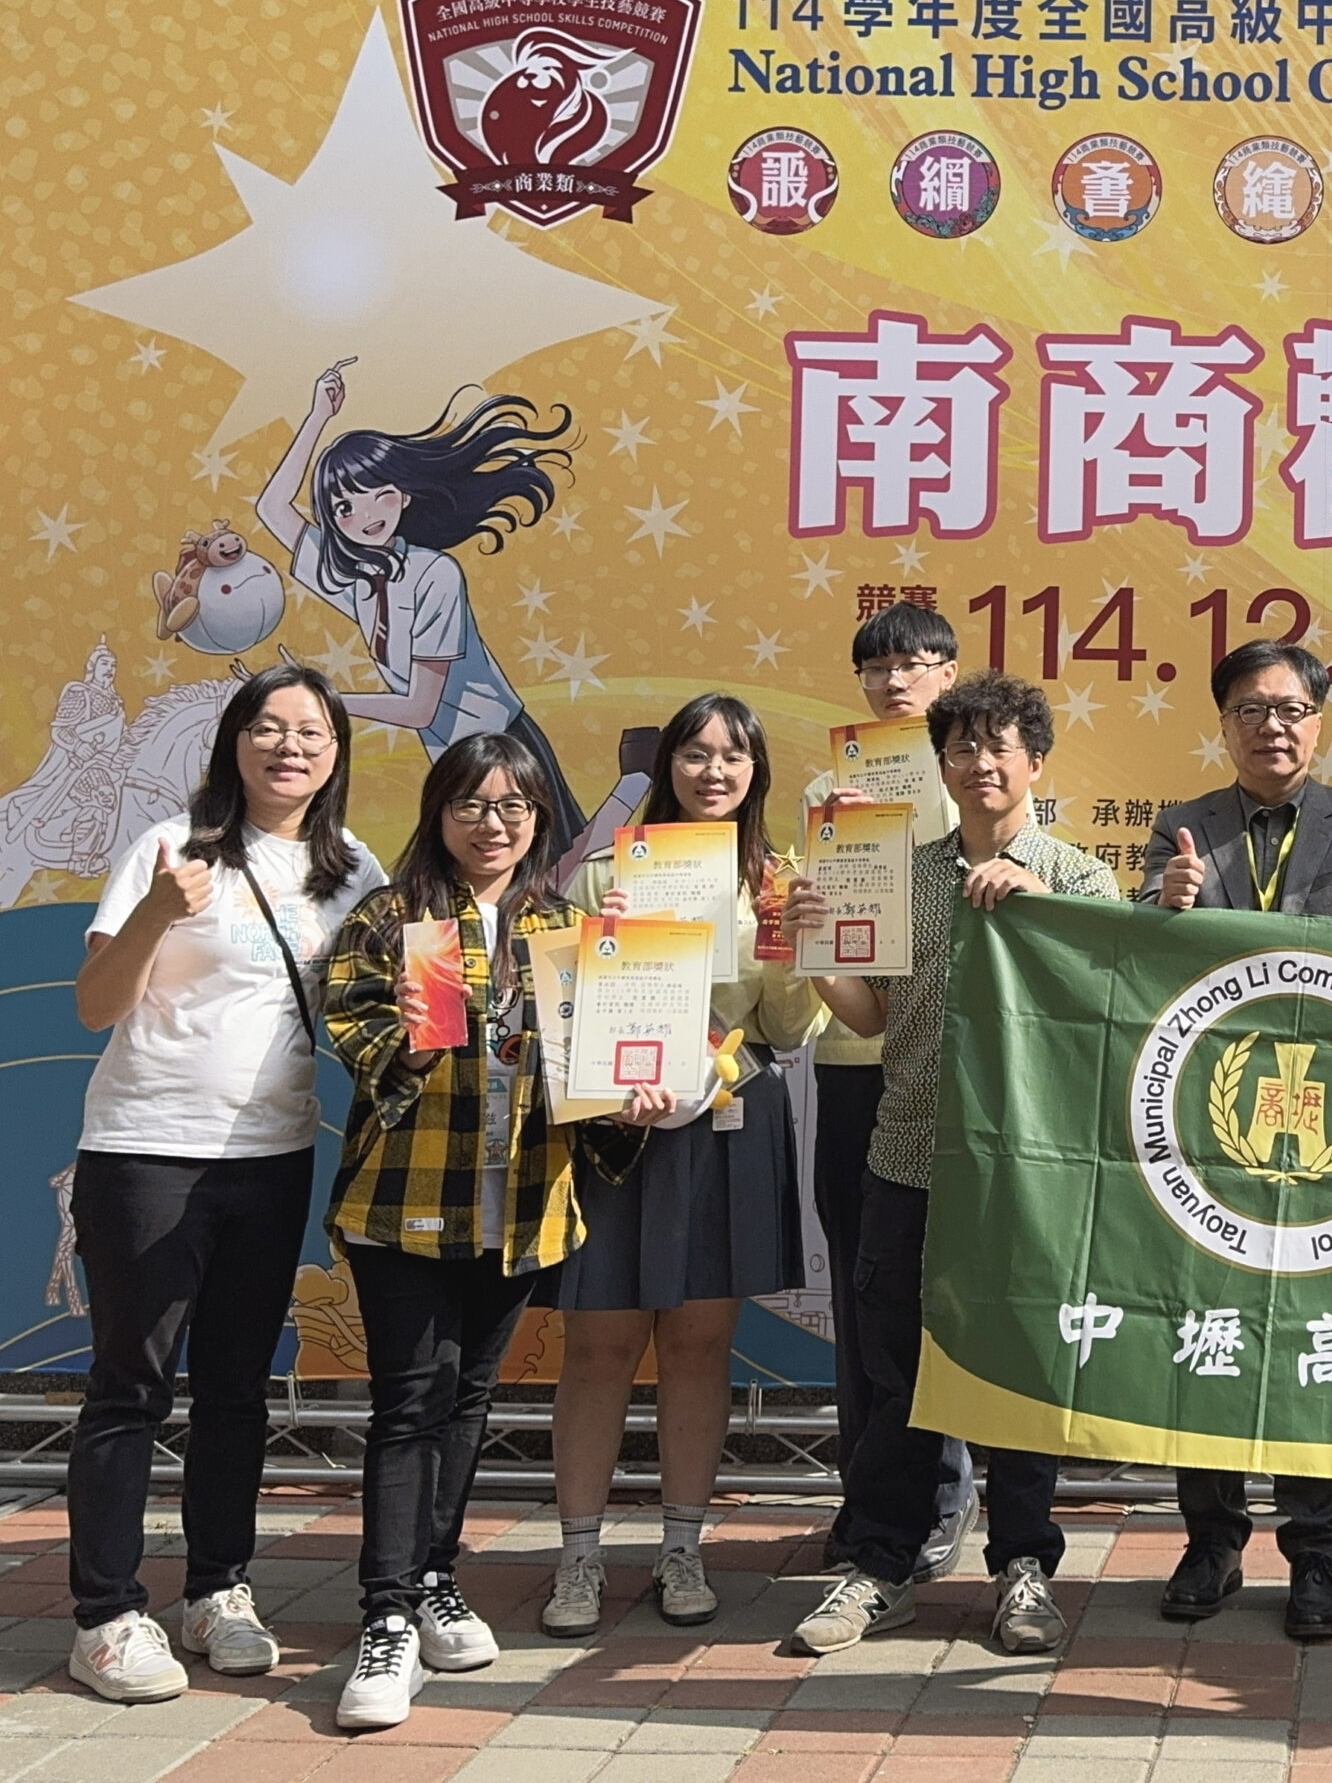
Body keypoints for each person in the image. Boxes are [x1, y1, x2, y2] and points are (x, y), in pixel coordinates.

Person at [320, 733, 674, 1729]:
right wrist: (413, 1039)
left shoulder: (565, 927)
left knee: (468, 1400)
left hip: (517, 1207)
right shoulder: (395, 918)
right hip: (405, 1205)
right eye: (472, 804)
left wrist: (628, 1105)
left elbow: (593, 1076)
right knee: (409, 1405)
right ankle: (387, 1615)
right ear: (438, 812)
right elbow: (354, 1036)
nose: (493, 824)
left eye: (514, 807)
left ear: (538, 820)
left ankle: (436, 1576)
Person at [63, 666, 386, 1703]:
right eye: (268, 727)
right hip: (148, 1150)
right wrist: (159, 912)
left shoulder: (354, 869)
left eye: (312, 732)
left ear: (336, 753)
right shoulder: (169, 847)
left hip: (274, 1156)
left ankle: (216, 1590)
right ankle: (107, 1616)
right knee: (131, 1386)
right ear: (234, 741)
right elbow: (94, 1004)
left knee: (238, 1387)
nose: (290, 747)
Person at [789, 673, 1118, 1659]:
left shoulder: (1080, 879)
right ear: (939, 765)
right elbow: (873, 1013)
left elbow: (1112, 1005)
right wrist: (817, 949)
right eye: (961, 748)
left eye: (999, 745)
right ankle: (882, 1565)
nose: (980, 764)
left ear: (1036, 762)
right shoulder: (901, 874)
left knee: (1019, 1370)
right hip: (909, 1149)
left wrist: (1043, 905)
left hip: (1027, 1172)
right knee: (897, 1373)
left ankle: (1023, 1566)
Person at [1136, 639, 1332, 1642]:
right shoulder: (1182, 824)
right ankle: (1209, 1543)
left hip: (1330, 1126)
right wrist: (1162, 907)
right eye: (1250, 710)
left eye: (1291, 709)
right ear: (1223, 724)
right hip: (1207, 1127)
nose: (1272, 727)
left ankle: (1317, 1556)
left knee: (1313, 1341)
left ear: (1318, 721)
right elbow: (1136, 954)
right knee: (1205, 1332)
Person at [543, 695, 829, 1636]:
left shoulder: (776, 880)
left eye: (734, 756)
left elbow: (787, 1028)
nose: (714, 772)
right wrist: (602, 941)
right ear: (666, 766)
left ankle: (682, 1549)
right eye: (696, 754)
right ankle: (578, 1557)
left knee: (701, 1346)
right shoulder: (605, 872)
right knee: (599, 1345)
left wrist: (793, 947)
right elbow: (560, 1010)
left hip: (728, 1122)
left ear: (756, 774)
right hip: (618, 1129)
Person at [801, 601, 976, 1583]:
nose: (895, 680)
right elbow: (828, 944)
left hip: (948, 1076)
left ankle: (946, 1497)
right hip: (853, 1063)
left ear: (949, 674)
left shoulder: (977, 778)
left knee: (944, 1294)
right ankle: (868, 1498)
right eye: (877, 666)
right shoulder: (827, 788)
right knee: (865, 1295)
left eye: (915, 663)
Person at [250, 359, 588, 838]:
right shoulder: (359, 577)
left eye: (378, 494)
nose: (364, 515)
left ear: (404, 495)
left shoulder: (436, 575)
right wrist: (318, 416)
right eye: (344, 507)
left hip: (505, 752)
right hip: (453, 762)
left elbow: (420, 709)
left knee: (559, 868)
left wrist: (323, 699)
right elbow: (271, 508)